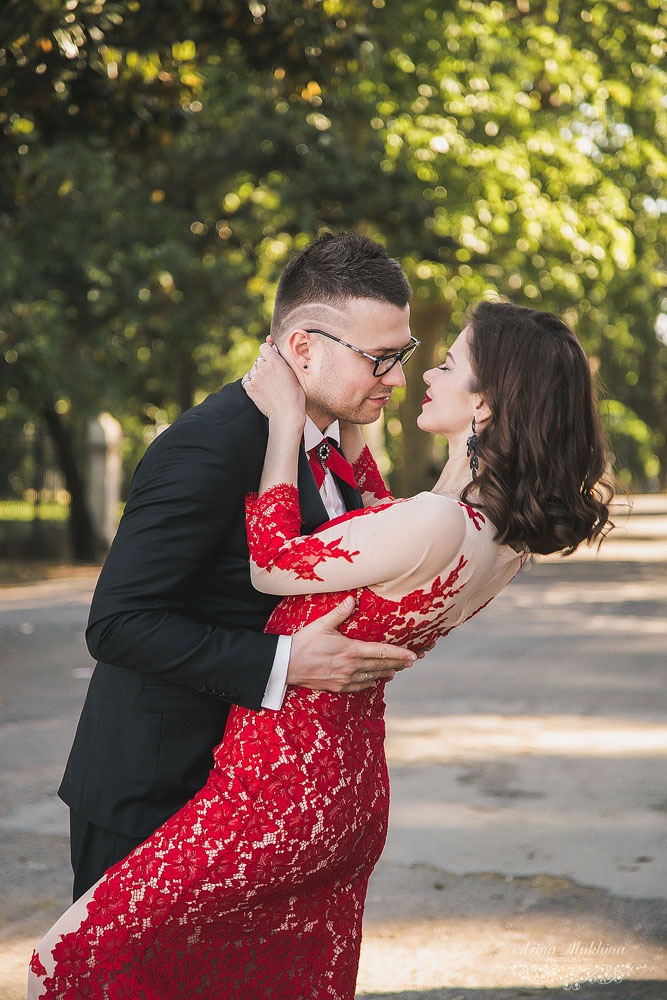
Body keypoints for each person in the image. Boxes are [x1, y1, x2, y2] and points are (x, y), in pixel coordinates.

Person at [29, 300, 612, 999]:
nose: (420, 374)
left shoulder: (431, 521)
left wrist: (285, 421)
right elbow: (378, 514)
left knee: (67, 963)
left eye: (446, 363)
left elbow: (273, 561)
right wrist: (347, 418)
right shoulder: (497, 535)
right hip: (342, 788)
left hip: (279, 788)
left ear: (484, 405)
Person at [57, 231, 420, 903]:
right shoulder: (208, 444)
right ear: (303, 349)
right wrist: (285, 661)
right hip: (161, 794)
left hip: (259, 801)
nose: (397, 378)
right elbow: (118, 624)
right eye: (379, 359)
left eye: (403, 355)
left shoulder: (329, 444)